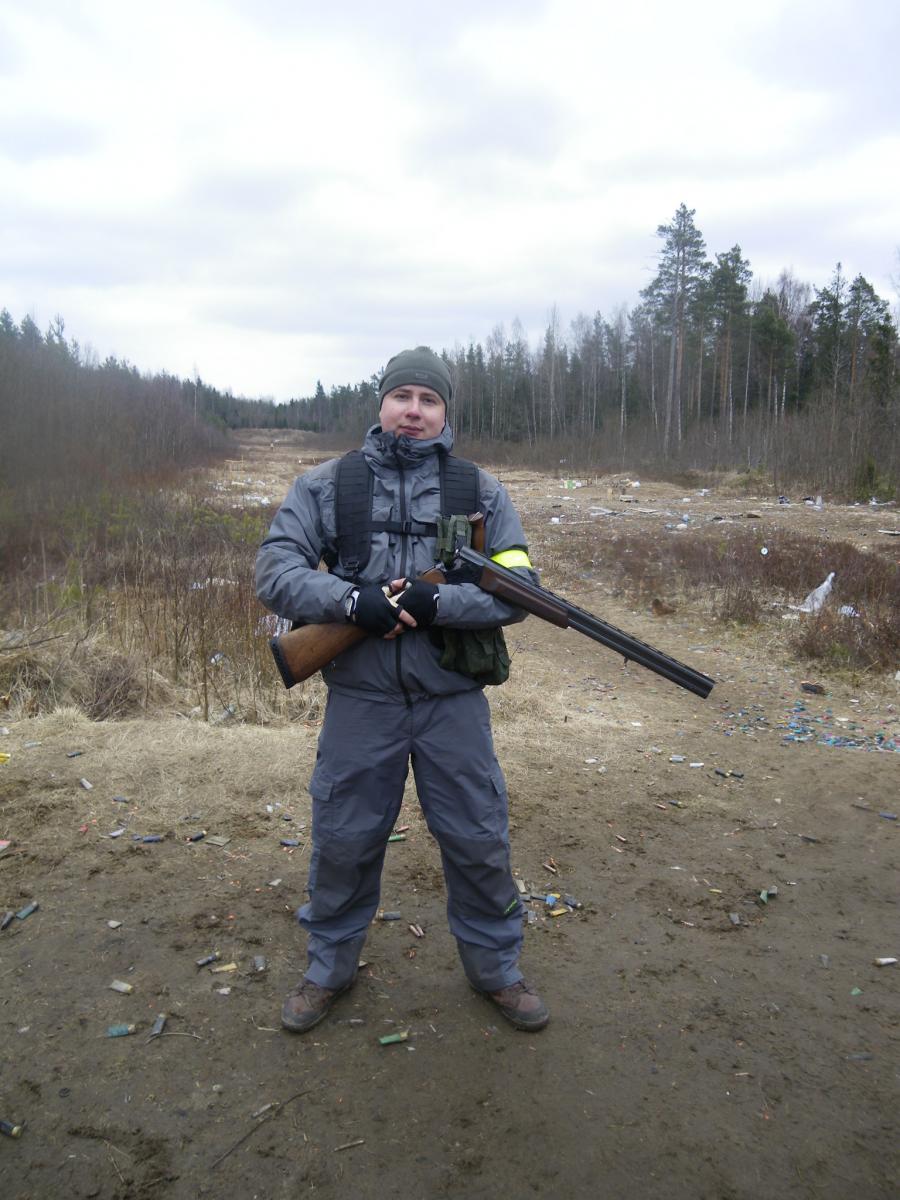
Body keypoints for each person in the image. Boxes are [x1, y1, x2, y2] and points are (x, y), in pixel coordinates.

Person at [255, 346, 548, 1033]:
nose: (414, 411)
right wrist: (351, 602)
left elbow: (521, 592)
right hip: (362, 704)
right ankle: (329, 969)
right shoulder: (327, 486)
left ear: (445, 412)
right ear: (381, 403)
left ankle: (496, 970)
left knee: (478, 837)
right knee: (344, 839)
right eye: (402, 397)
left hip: (453, 703)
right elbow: (275, 571)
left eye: (429, 400)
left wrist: (438, 602)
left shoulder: (480, 492)